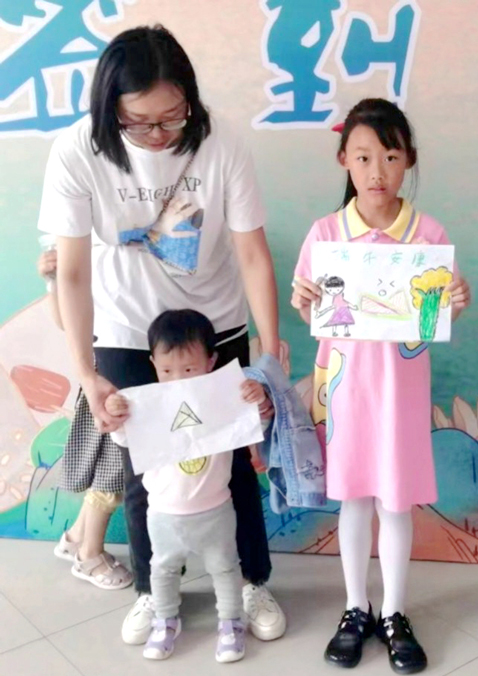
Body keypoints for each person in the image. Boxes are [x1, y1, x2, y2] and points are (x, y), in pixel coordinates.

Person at [37, 25, 285, 645]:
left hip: (214, 324)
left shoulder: (221, 141)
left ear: (190, 99)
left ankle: (251, 581)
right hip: (126, 327)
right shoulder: (77, 152)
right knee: (141, 466)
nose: (158, 135)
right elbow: (72, 271)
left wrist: (270, 352)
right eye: (138, 122)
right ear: (109, 109)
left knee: (233, 461)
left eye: (172, 117)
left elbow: (253, 253)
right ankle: (154, 593)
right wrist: (86, 372)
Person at [291, 98, 471, 673]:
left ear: (408, 160)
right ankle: (356, 607)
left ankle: (394, 612)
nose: (377, 172)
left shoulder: (428, 234)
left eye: (390, 157)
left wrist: (455, 303)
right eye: (364, 157)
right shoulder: (326, 234)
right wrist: (303, 299)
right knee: (353, 497)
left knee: (395, 499)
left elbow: (433, 319)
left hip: (400, 393)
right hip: (347, 391)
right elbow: (311, 310)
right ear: (344, 159)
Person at [106, 310, 273, 662]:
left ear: (211, 362)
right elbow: (122, 437)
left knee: (225, 568)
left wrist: (257, 397)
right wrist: (114, 413)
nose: (177, 379)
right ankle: (165, 620)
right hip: (162, 514)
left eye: (189, 369)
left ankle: (231, 622)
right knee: (162, 570)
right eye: (167, 370)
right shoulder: (147, 406)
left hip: (216, 510)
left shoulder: (222, 401)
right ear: (153, 364)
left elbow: (256, 423)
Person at [37, 247, 132, 590]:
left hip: (117, 371)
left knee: (113, 469)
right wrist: (53, 281)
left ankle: (77, 536)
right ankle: (89, 555)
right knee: (111, 473)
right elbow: (65, 320)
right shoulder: (83, 251)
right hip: (107, 377)